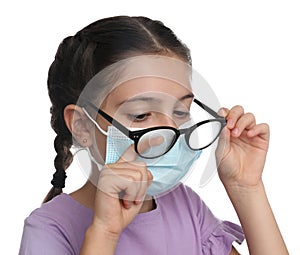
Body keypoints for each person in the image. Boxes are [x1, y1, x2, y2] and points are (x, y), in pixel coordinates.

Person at [19, 16, 288, 255]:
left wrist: (246, 187)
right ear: (82, 125)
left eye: (181, 111)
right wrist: (105, 231)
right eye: (140, 114)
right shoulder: (49, 228)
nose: (169, 133)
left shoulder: (186, 207)